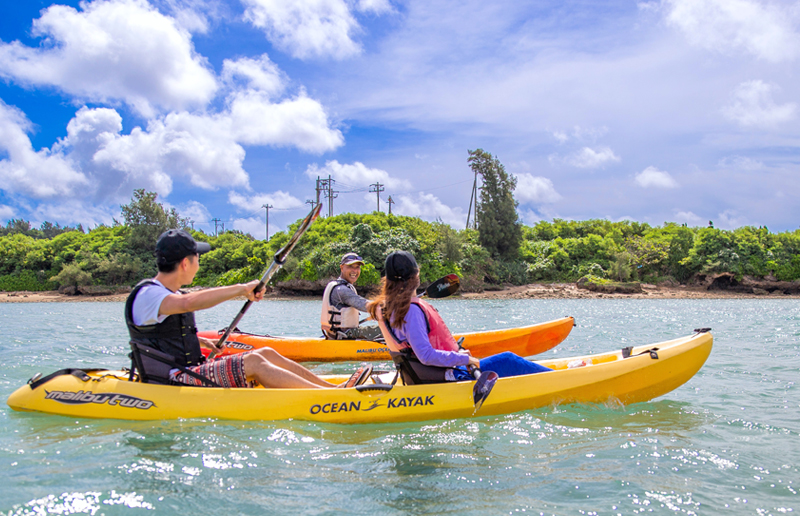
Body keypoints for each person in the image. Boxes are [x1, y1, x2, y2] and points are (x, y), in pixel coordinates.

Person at [125, 229, 371, 389]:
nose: (199, 263)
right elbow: (186, 304)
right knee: (253, 361)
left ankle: (328, 388)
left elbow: (161, 334)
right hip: (174, 378)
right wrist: (242, 289)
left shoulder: (166, 294)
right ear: (185, 263)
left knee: (266, 352)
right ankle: (326, 396)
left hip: (186, 369)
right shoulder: (149, 294)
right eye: (197, 258)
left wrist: (199, 340)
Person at [366, 251, 552, 384]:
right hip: (444, 377)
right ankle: (564, 377)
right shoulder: (412, 311)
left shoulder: (388, 308)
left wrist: (459, 356)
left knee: (497, 361)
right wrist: (465, 360)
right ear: (416, 276)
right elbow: (426, 356)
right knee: (508, 360)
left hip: (425, 376)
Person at [320, 252, 381, 340]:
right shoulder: (341, 290)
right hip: (344, 334)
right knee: (392, 329)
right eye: (350, 266)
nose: (354, 271)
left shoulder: (344, 286)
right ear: (342, 267)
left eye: (357, 267)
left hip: (338, 333)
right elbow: (365, 305)